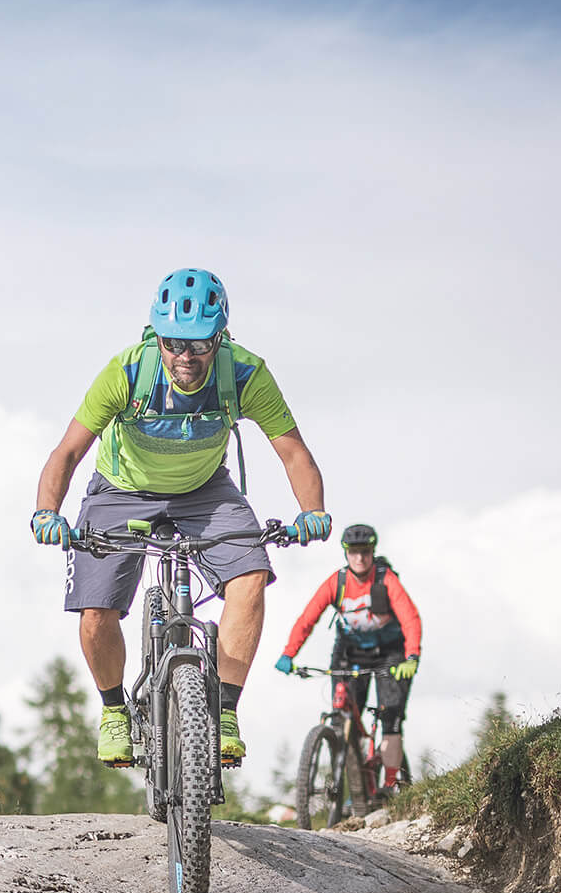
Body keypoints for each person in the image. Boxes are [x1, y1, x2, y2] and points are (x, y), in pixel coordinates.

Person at [30, 268, 331, 769]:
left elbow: (293, 452)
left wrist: (312, 512)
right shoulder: (127, 372)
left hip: (204, 491)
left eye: (199, 345)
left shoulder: (244, 374)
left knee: (251, 578)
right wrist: (47, 512)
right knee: (95, 611)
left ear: (221, 337)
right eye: (173, 343)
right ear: (157, 336)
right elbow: (66, 453)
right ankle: (114, 712)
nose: (185, 357)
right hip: (121, 490)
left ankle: (226, 712)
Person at [275, 523, 424, 793]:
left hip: (390, 652)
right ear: (346, 553)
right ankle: (351, 787)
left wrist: (412, 656)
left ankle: (391, 783)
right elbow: (308, 619)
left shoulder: (386, 579)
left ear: (372, 551)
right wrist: (288, 654)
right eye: (353, 552)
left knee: (390, 716)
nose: (360, 558)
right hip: (349, 652)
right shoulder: (338, 582)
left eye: (365, 552)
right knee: (341, 714)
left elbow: (410, 618)